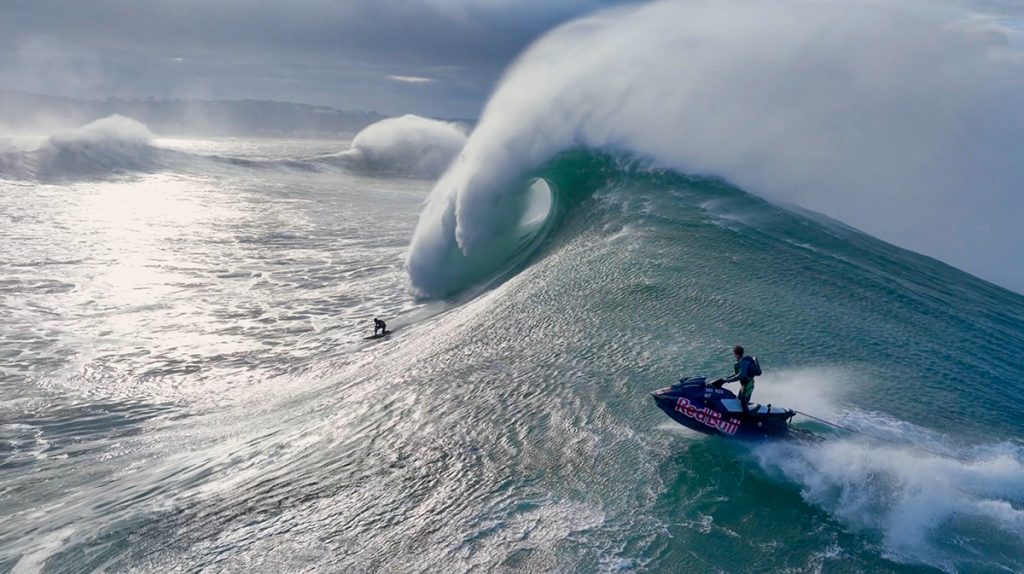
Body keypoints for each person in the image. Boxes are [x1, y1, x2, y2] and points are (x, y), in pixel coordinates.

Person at [715, 345, 759, 415]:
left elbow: (741, 375)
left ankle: (748, 421)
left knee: (743, 404)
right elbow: (736, 375)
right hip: (745, 385)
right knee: (739, 400)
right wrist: (726, 379)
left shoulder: (743, 362)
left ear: (735, 354)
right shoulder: (739, 363)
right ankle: (740, 417)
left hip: (748, 385)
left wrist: (729, 380)